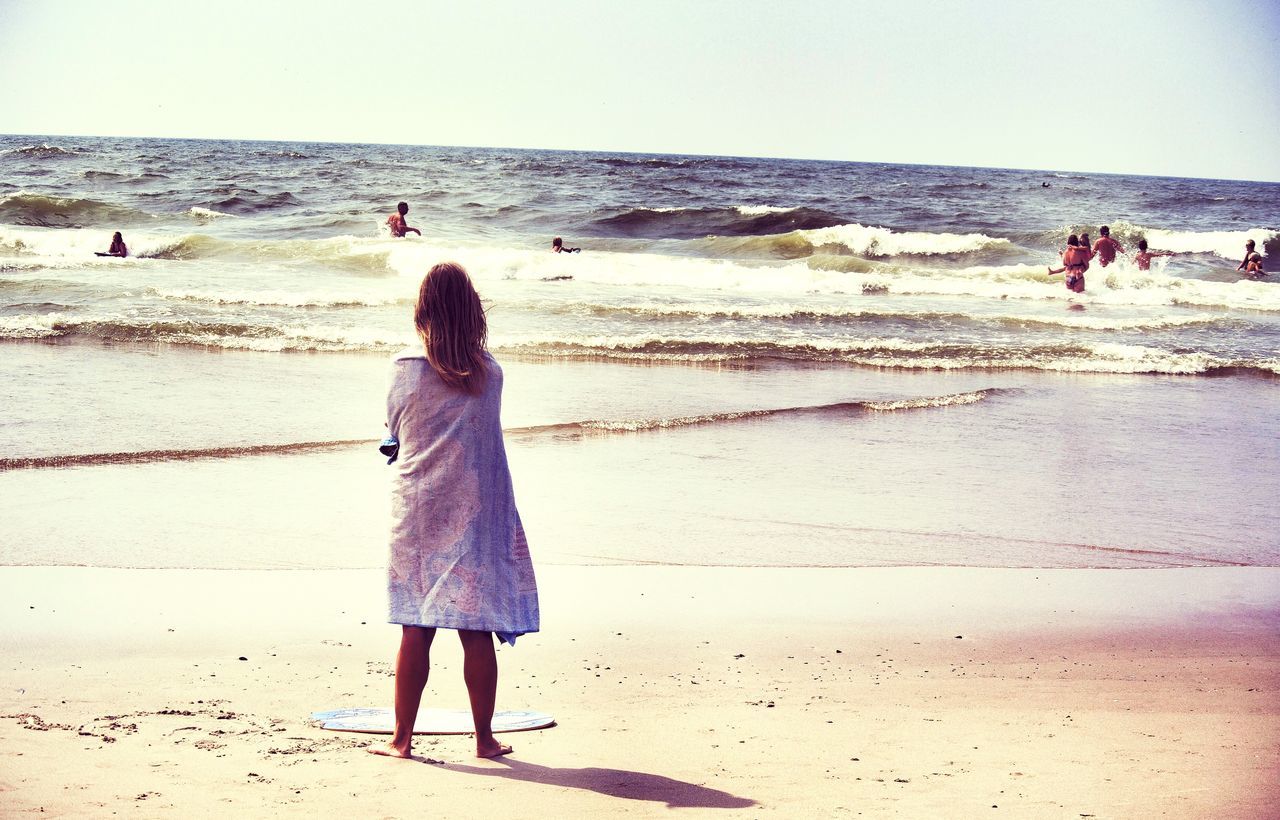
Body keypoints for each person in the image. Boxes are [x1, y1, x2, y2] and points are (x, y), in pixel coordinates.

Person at [371, 262, 540, 761]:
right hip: (476, 510)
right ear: (473, 311)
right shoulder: (491, 373)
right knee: (475, 627)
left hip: (419, 508)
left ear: (423, 310)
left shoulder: (403, 369)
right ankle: (484, 739)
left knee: (415, 627)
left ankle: (402, 740)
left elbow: (396, 435)